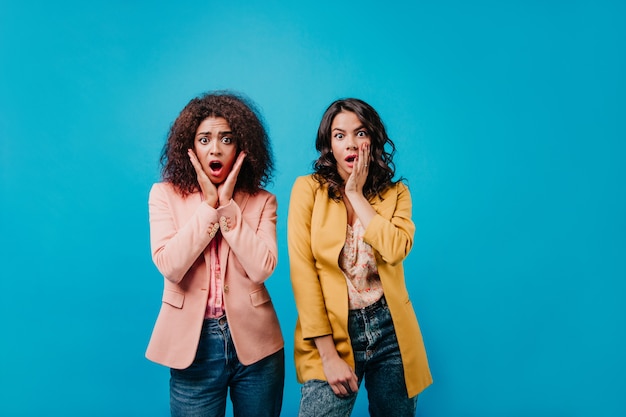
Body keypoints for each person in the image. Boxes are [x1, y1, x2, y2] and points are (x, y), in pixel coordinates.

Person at [287, 98, 432, 417]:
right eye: (339, 135)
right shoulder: (307, 190)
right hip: (333, 329)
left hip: (391, 328)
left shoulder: (396, 195)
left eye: (360, 133)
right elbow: (303, 273)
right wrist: (327, 355)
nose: (351, 143)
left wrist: (355, 193)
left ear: (374, 139)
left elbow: (394, 250)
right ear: (329, 145)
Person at [146, 91, 284, 417]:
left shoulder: (263, 201)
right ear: (189, 147)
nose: (216, 148)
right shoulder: (163, 196)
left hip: (257, 347)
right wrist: (209, 207)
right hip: (193, 347)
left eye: (226, 138)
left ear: (241, 147)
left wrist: (227, 206)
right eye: (205, 139)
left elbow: (262, 268)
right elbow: (171, 265)